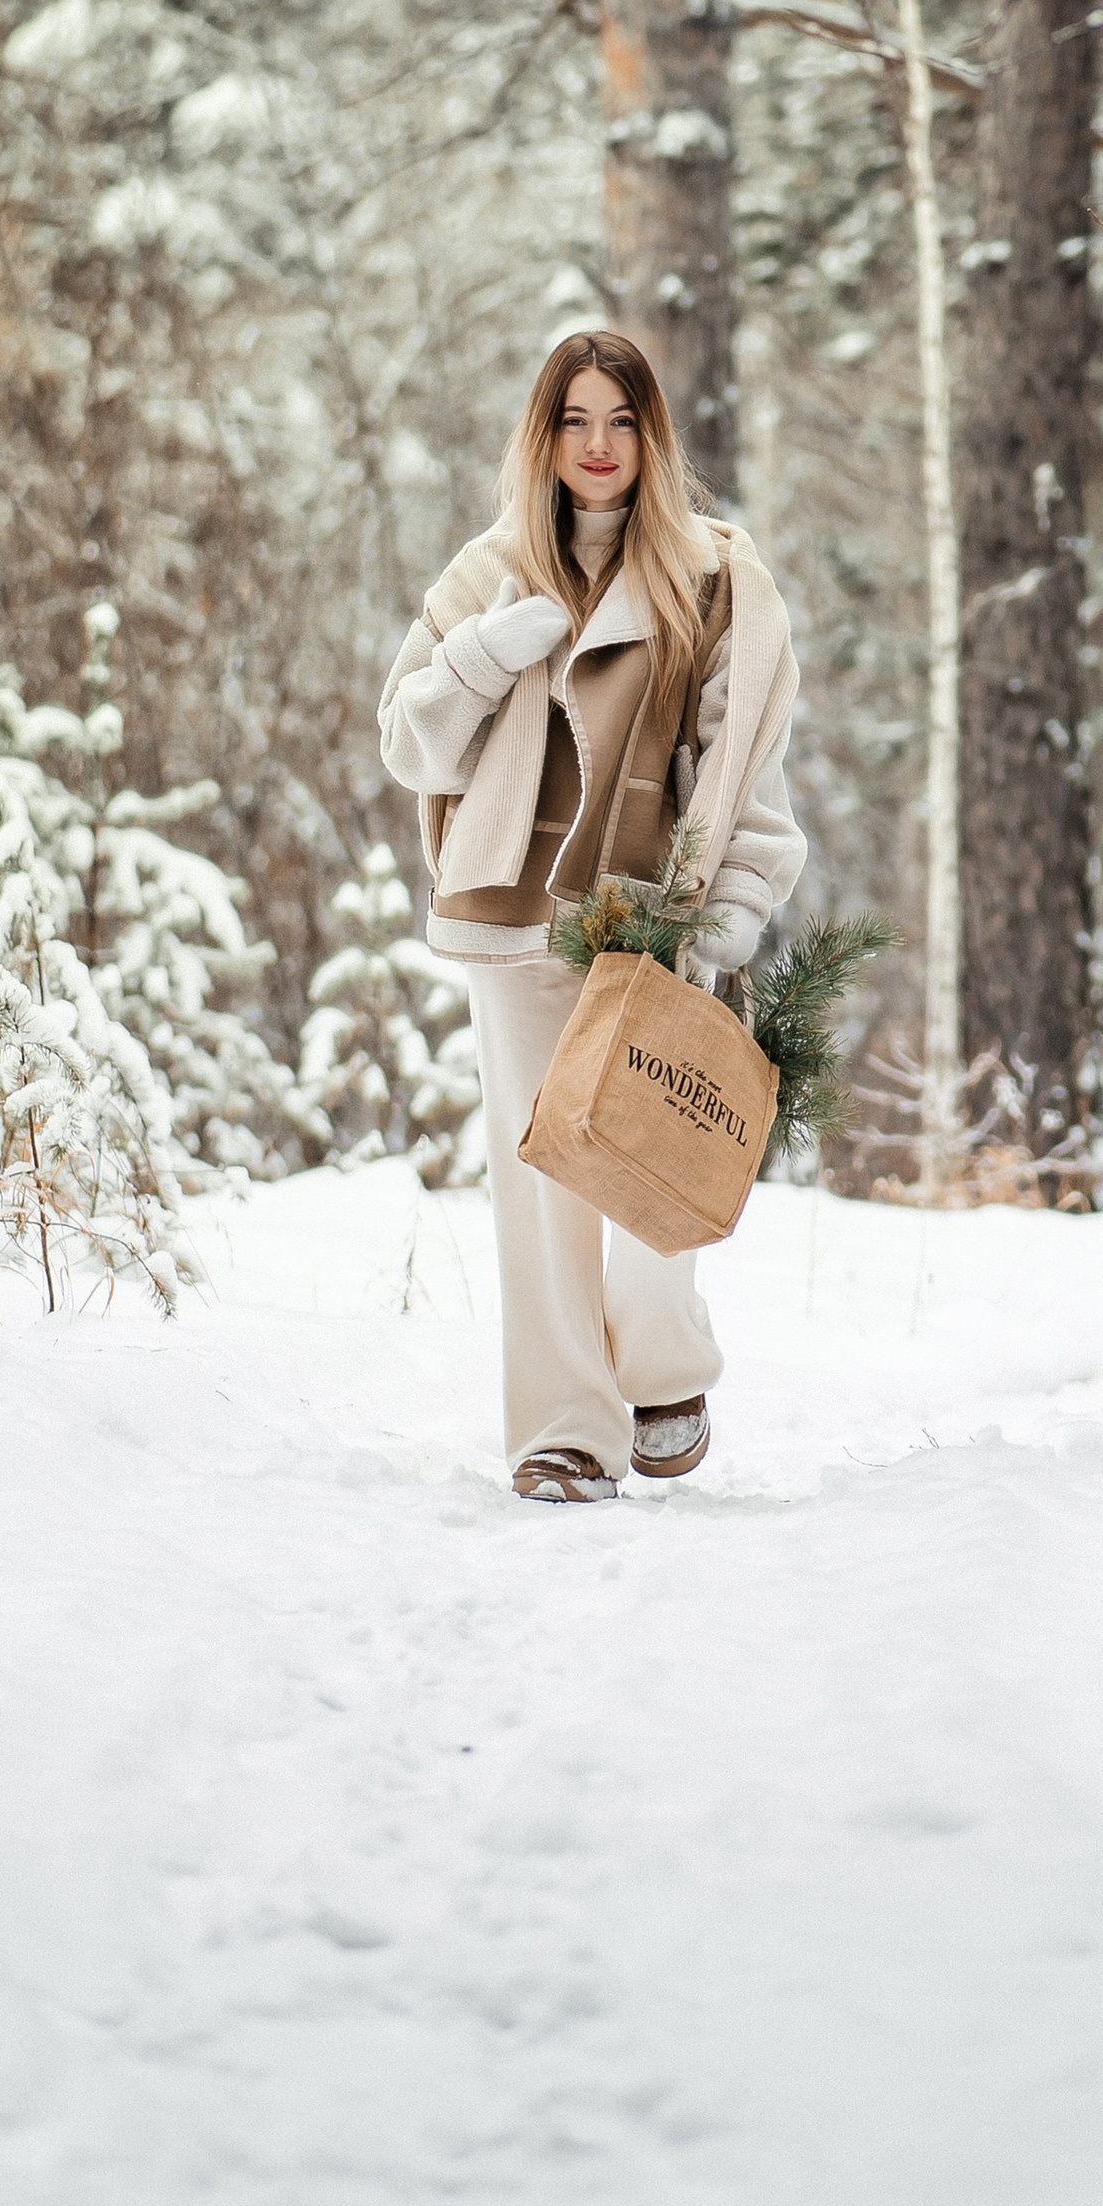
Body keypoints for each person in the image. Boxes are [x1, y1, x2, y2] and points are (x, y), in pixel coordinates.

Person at [378, 332, 805, 1503]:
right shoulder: (488, 572)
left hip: (649, 920)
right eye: (575, 419)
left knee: (653, 1142)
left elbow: (747, 767)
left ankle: (663, 1366)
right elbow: (408, 742)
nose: (598, 444)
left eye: (620, 419)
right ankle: (564, 1425)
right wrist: (483, 653)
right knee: (540, 1175)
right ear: (545, 435)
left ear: (650, 435)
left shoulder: (714, 578)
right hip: (514, 909)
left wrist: (731, 909)